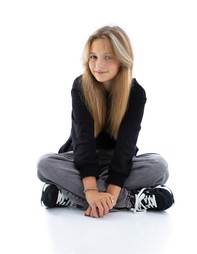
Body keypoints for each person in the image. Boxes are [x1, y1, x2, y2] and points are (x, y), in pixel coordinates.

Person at [37, 25, 174, 218]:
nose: (98, 64)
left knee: (159, 167)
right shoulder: (80, 86)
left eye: (107, 57)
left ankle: (67, 196)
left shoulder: (136, 94)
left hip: (118, 163)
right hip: (81, 161)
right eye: (93, 56)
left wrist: (108, 193)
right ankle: (131, 200)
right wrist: (92, 190)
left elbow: (126, 146)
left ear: (122, 59)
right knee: (45, 164)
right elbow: (83, 141)